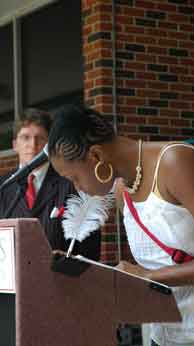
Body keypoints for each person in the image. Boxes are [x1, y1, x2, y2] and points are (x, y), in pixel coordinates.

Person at [47, 104, 194, 346]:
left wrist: (149, 276)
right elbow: (158, 267)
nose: (77, 187)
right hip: (164, 336)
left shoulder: (176, 163)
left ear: (96, 156)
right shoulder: (123, 190)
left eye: (74, 177)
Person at [0, 108, 100, 346]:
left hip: (61, 293)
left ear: (49, 144)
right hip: (12, 299)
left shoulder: (71, 181)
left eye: (39, 138)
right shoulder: (4, 186)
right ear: (15, 143)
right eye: (25, 137)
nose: (32, 144)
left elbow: (91, 246)